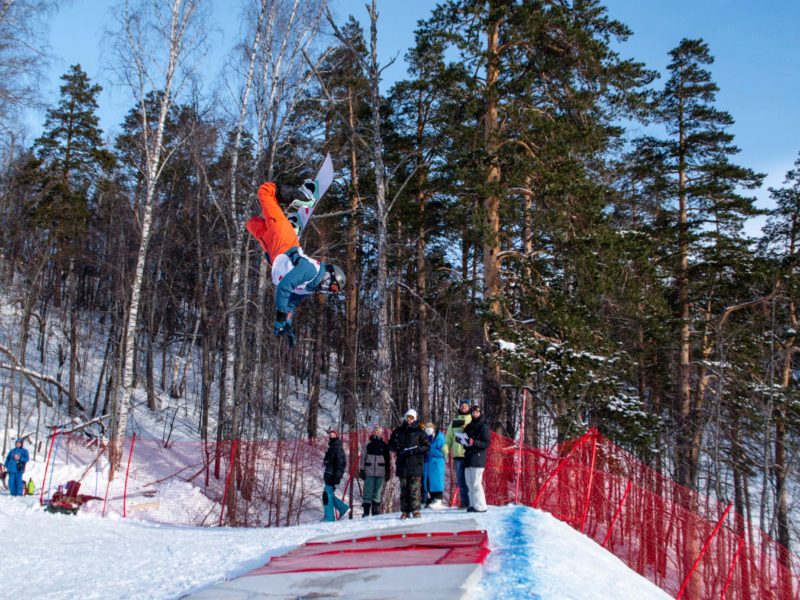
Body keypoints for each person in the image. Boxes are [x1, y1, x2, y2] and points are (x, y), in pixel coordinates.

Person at [245, 180, 346, 347]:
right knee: (266, 191)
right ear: (330, 276)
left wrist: (287, 326)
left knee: (251, 223)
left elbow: (290, 303)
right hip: (283, 240)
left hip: (272, 251)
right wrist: (280, 316)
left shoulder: (309, 288)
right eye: (332, 287)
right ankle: (304, 196)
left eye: (332, 292)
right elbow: (284, 286)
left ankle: (292, 224)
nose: (328, 290)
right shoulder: (312, 271)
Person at [389, 409, 429, 519]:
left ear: (415, 419)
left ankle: (415, 510)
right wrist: (395, 445)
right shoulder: (398, 431)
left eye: (411, 418)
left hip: (415, 464)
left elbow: (426, 446)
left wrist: (415, 450)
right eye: (408, 417)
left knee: (414, 490)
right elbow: (391, 445)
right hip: (402, 465)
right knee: (404, 490)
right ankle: (405, 511)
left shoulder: (420, 432)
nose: (409, 420)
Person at [460, 404, 491, 513]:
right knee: (469, 483)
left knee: (476, 483)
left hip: (477, 458)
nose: (475, 414)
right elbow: (465, 440)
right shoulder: (469, 426)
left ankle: (481, 506)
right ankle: (473, 504)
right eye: (473, 412)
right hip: (468, 457)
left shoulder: (484, 426)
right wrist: (462, 441)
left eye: (477, 412)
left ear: (480, 413)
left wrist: (474, 442)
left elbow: (486, 443)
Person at [445, 400, 473, 509]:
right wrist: (446, 448)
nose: (464, 407)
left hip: (470, 455)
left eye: (466, 406)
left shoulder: (472, 419)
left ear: (469, 407)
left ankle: (472, 502)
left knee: (470, 480)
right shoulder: (455, 421)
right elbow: (449, 438)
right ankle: (464, 502)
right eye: (462, 406)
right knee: (461, 480)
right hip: (458, 455)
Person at [358, 425, 391, 517]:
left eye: (379, 431)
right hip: (369, 471)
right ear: (373, 432)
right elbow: (363, 458)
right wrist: (361, 470)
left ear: (381, 433)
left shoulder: (384, 445)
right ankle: (366, 511)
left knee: (377, 491)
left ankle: (375, 510)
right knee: (368, 491)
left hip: (380, 472)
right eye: (375, 431)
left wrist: (388, 472)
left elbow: (388, 460)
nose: (377, 432)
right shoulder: (368, 444)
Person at [322, 429, 349, 521]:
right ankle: (343, 509)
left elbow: (341, 464)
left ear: (337, 436)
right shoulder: (332, 448)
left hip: (333, 476)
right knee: (329, 495)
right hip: (328, 475)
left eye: (334, 435)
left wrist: (337, 476)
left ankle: (329, 518)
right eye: (330, 436)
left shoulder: (338, 448)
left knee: (326, 495)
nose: (332, 437)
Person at [422, 421, 447, 509]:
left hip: (436, 462)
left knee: (437, 481)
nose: (428, 429)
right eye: (426, 427)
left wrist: (430, 451)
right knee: (429, 481)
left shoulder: (440, 437)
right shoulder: (426, 437)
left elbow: (443, 451)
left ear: (433, 428)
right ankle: (432, 498)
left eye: (430, 427)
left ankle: (438, 499)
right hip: (428, 462)